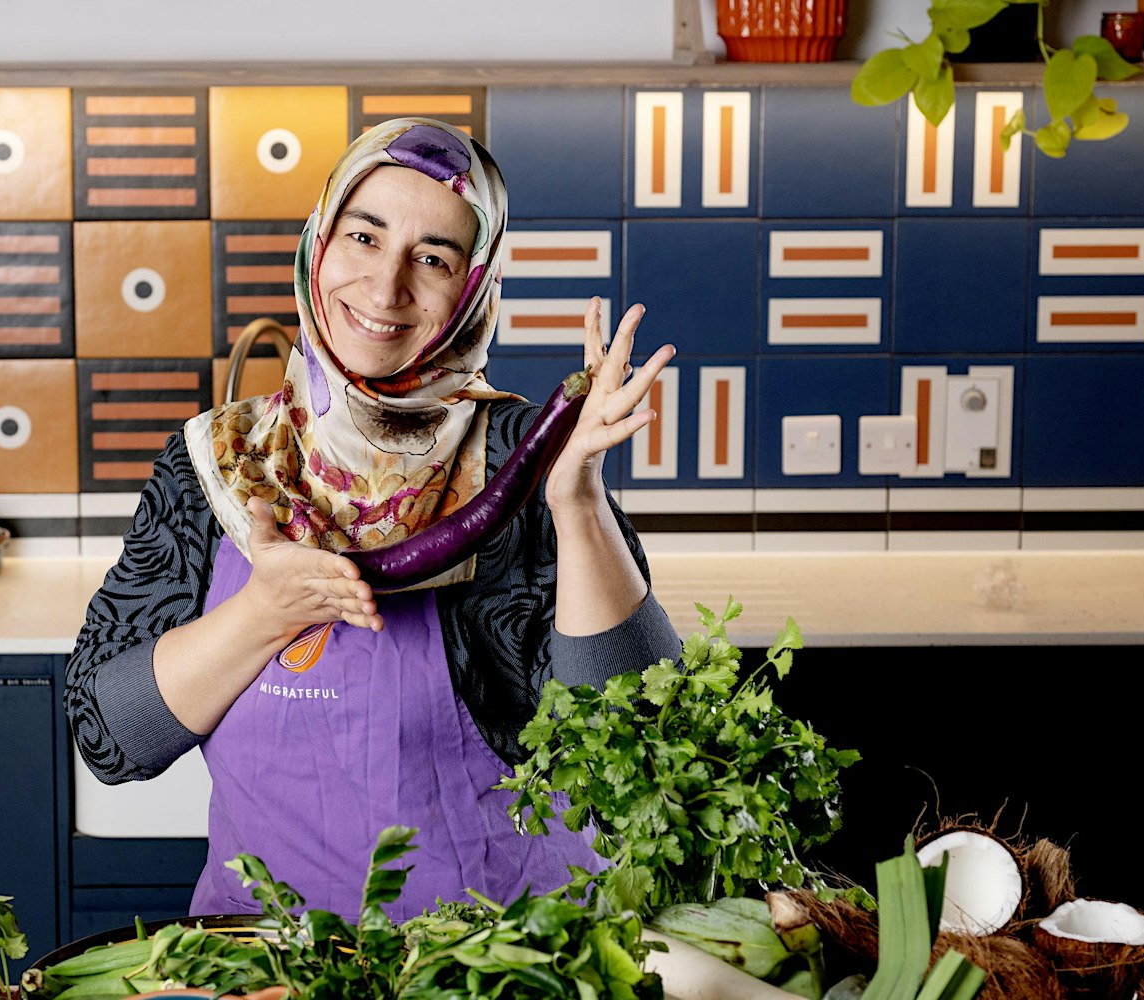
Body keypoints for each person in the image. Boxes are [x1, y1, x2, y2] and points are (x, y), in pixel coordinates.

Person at [66, 118, 682, 919]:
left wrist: (579, 504)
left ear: (475, 286)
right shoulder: (218, 466)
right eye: (364, 237)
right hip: (268, 957)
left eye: (433, 258)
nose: (386, 288)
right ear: (319, 243)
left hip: (507, 955)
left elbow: (637, 745)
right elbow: (109, 737)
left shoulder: (529, 457)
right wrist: (265, 614)